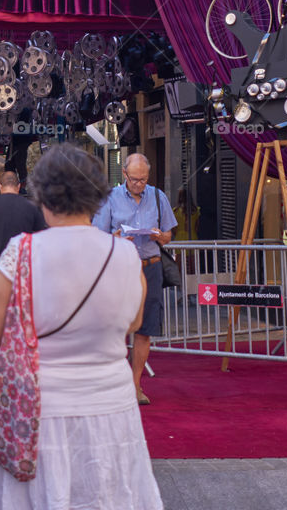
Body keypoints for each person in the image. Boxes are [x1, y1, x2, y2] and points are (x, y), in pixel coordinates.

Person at [0, 144, 162, 510]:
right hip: (111, 405)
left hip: (40, 409)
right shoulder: (126, 255)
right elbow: (135, 322)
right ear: (98, 196)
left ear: (41, 195)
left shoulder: (22, 251)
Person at [93, 152, 178, 405]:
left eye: (142, 180)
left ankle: (135, 385)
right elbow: (98, 238)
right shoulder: (110, 198)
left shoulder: (157, 196)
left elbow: (169, 236)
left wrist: (159, 236)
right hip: (121, 267)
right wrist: (116, 238)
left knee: (145, 329)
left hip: (150, 266)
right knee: (116, 328)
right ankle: (113, 385)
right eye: (134, 179)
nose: (138, 184)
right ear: (125, 175)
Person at [0, 170, 46, 368]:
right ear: (19, 186)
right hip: (23, 267)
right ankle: (19, 351)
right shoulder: (31, 206)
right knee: (22, 310)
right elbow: (42, 235)